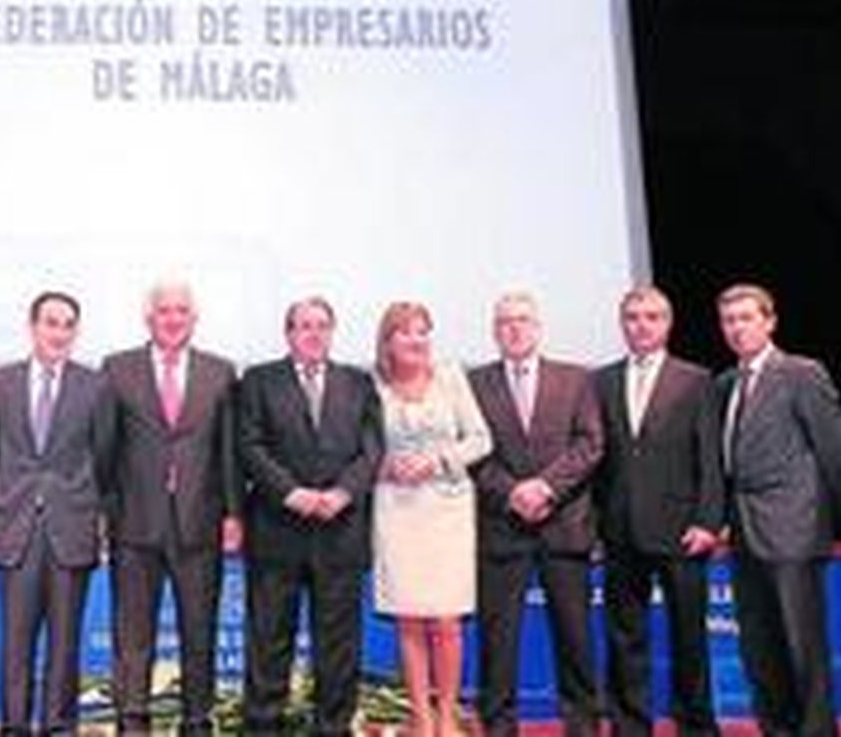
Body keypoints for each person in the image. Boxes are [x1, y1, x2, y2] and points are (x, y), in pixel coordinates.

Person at [236, 296, 383, 735]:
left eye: (322, 325)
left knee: (337, 644)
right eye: (304, 326)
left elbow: (372, 449)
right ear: (289, 333)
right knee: (269, 639)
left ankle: (333, 726)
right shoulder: (259, 380)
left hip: (340, 530)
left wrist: (343, 492)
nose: (314, 333)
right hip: (277, 530)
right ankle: (263, 723)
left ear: (331, 332)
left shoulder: (358, 382)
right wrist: (291, 493)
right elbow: (249, 445)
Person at [100, 280, 240, 735]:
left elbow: (229, 453)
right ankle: (132, 717)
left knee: (199, 630)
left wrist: (233, 514)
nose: (173, 318)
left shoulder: (220, 372)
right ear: (149, 318)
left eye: (182, 310)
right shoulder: (117, 369)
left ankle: (197, 718)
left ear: (194, 318)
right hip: (135, 525)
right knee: (133, 635)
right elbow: (105, 450)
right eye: (164, 311)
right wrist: (107, 514)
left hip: (199, 523)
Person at [713, 283, 841, 736]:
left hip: (794, 531)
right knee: (759, 649)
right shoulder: (726, 383)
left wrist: (820, 521)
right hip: (744, 534)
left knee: (802, 647)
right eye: (729, 320)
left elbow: (834, 453)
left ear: (769, 321)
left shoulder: (802, 373)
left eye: (746, 318)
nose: (737, 328)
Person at [467, 291, 602, 737]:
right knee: (498, 639)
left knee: (575, 636)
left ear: (538, 327)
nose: (514, 328)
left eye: (522, 320)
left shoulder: (576, 379)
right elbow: (472, 452)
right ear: (494, 330)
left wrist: (546, 487)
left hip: (563, 524)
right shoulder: (474, 382)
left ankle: (581, 724)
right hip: (502, 527)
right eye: (504, 321)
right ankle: (499, 725)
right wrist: (512, 492)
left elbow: (590, 443)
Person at [0, 290, 112, 735]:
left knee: (65, 644)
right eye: (51, 322)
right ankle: (14, 727)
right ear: (32, 327)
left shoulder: (95, 386)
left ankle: (59, 728)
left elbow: (105, 458)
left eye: (67, 325)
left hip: (70, 532)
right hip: (14, 530)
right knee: (15, 644)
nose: (59, 332)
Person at [592, 286, 721, 736]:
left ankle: (697, 726)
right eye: (632, 317)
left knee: (689, 638)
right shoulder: (601, 381)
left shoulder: (696, 379)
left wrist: (708, 521)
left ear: (667, 324)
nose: (641, 325)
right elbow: (598, 461)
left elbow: (710, 458)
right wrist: (595, 527)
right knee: (624, 639)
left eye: (651, 317)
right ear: (622, 324)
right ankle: (630, 726)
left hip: (682, 531)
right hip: (620, 530)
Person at [370, 301, 490, 737]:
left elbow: (480, 439)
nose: (418, 339)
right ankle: (421, 717)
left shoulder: (451, 377)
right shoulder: (372, 384)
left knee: (445, 620)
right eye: (407, 332)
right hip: (397, 510)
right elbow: (359, 446)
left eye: (424, 331)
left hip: (447, 510)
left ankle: (447, 716)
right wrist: (384, 465)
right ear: (388, 341)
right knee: (410, 617)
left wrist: (438, 460)